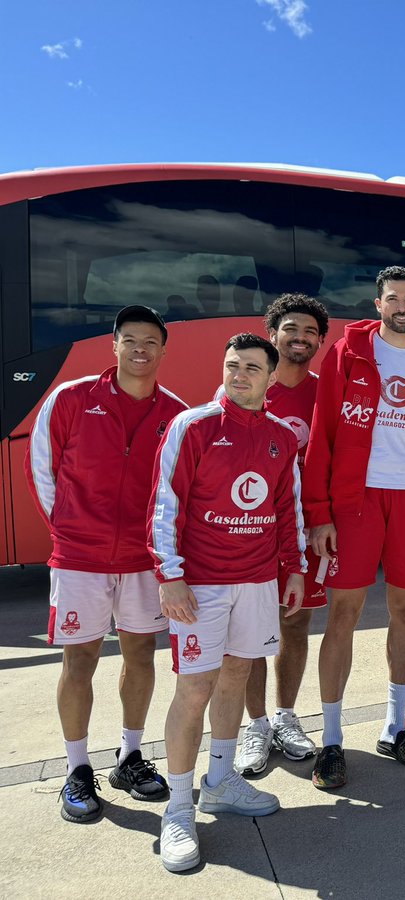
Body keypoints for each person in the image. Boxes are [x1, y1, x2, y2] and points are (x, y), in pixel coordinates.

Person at [149, 333, 305, 873]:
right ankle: (177, 808)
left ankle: (219, 782)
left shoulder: (281, 436)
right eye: (232, 366)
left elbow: (289, 509)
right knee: (194, 689)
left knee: (237, 677)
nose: (239, 375)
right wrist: (170, 577)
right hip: (202, 587)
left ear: (270, 376)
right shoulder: (191, 426)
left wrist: (294, 569)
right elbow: (166, 505)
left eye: (251, 368)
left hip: (258, 583)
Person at [26, 305, 187, 824]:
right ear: (113, 346)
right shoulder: (70, 399)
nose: (140, 349)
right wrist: (70, 531)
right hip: (81, 558)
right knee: (80, 660)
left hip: (144, 562)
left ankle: (129, 757)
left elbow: (179, 492)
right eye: (130, 339)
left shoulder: (175, 415)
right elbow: (42, 468)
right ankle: (77, 769)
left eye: (150, 341)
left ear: (164, 351)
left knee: (141, 655)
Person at [303, 266, 405, 789]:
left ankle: (395, 728)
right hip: (356, 502)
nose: (401, 306)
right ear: (377, 303)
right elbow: (322, 434)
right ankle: (331, 740)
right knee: (343, 613)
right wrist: (321, 513)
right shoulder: (348, 354)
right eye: (392, 298)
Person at [234, 294, 329, 776]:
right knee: (251, 627)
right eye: (291, 329)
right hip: (250, 529)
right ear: (271, 334)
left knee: (295, 623)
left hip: (306, 534)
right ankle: (256, 724)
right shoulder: (248, 388)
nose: (300, 338)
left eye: (310, 332)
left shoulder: (326, 392)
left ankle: (287, 716)